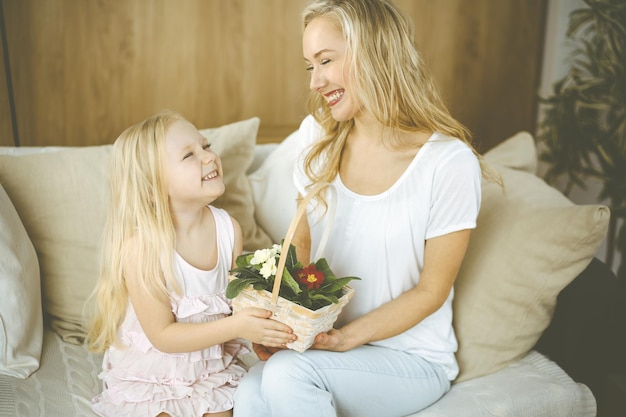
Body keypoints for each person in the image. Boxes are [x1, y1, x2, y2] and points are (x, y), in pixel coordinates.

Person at [233, 1, 500, 416]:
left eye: (325, 61)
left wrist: (345, 337)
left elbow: (433, 291)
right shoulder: (316, 135)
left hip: (411, 358)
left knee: (287, 376)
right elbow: (299, 243)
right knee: (250, 388)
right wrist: (286, 323)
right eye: (310, 66)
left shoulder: (448, 162)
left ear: (373, 53)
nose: (315, 81)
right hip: (327, 344)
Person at [86, 110, 296, 417]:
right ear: (151, 186)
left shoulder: (228, 229)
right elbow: (163, 336)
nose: (209, 157)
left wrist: (259, 333)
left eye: (206, 146)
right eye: (189, 155)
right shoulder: (142, 248)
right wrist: (238, 325)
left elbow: (236, 304)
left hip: (208, 364)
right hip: (154, 371)